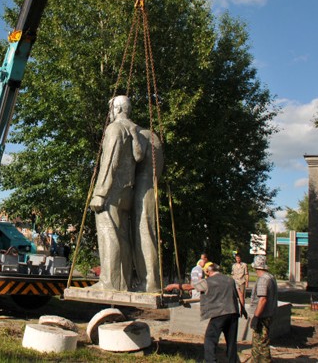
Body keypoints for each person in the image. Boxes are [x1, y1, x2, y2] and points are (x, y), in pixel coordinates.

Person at [89, 95, 142, 291]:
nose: (110, 113)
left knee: (108, 234)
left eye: (111, 109)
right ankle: (123, 283)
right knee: (123, 237)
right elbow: (138, 156)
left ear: (118, 109)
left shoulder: (115, 128)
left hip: (112, 191)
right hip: (127, 190)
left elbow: (110, 161)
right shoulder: (134, 129)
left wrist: (100, 193)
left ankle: (109, 283)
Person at [166, 263, 248, 363]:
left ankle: (211, 361)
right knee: (231, 342)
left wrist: (174, 285)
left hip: (219, 314)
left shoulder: (208, 281)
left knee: (210, 340)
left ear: (208, 272)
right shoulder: (230, 280)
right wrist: (243, 309)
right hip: (233, 313)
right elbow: (240, 294)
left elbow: (189, 287)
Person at [132, 128, 163, 292]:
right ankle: (149, 280)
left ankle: (149, 282)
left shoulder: (142, 135)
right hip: (148, 187)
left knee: (144, 234)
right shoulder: (151, 136)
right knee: (145, 233)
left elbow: (137, 156)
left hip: (143, 190)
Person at [249, 255, 278, 363]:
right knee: (260, 341)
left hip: (262, 315)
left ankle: (264, 361)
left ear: (255, 267)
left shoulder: (263, 280)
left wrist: (256, 317)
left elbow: (262, 300)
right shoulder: (270, 277)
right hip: (268, 313)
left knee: (260, 342)